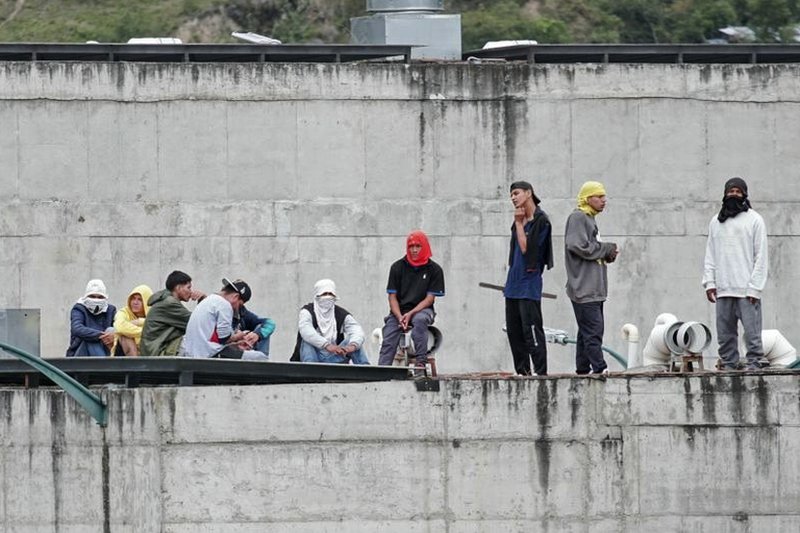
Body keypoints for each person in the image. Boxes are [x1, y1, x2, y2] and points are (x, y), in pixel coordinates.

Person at [702, 177, 768, 371]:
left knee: (752, 334)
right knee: (725, 335)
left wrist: (755, 288)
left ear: (745, 195)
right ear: (725, 194)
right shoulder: (716, 221)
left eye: (738, 192)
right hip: (723, 289)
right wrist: (709, 282)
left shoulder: (755, 219)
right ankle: (729, 367)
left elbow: (761, 256)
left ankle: (754, 366)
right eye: (731, 192)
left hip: (747, 289)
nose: (734, 195)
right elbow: (710, 253)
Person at [564, 181, 618, 375]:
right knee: (594, 330)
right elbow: (576, 245)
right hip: (585, 288)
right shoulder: (579, 217)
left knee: (585, 332)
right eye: (599, 196)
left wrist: (606, 253)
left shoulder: (590, 218)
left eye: (604, 196)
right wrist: (606, 248)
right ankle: (600, 368)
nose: (603, 200)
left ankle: (582, 369)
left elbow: (589, 248)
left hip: (593, 289)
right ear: (587, 199)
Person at [504, 181, 553, 376]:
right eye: (511, 195)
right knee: (514, 332)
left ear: (528, 193)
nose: (513, 198)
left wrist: (518, 223)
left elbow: (527, 251)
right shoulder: (519, 219)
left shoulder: (541, 220)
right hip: (513, 284)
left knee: (531, 330)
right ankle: (522, 371)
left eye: (516, 193)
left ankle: (540, 373)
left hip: (529, 285)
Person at [377, 230, 445, 371]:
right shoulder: (397, 267)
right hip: (399, 311)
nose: (414, 250)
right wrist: (400, 316)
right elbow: (392, 297)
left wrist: (411, 313)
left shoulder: (434, 270)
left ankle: (420, 364)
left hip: (423, 310)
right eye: (411, 246)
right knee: (389, 334)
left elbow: (429, 299)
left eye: (418, 246)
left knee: (419, 321)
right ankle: (382, 370)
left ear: (425, 246)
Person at [180, 278, 268, 360]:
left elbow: (216, 338)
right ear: (236, 297)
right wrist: (240, 335)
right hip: (209, 353)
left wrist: (236, 344)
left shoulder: (209, 299)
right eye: (240, 305)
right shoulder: (224, 305)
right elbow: (224, 338)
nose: (237, 309)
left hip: (193, 352)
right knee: (261, 357)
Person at [291, 279, 369, 364]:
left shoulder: (341, 313)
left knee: (355, 341)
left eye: (331, 294)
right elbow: (306, 330)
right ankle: (311, 371)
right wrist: (326, 345)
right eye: (324, 294)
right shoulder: (307, 311)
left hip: (335, 356)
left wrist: (352, 346)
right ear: (317, 295)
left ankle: (366, 371)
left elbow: (356, 330)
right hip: (313, 358)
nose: (328, 297)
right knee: (307, 340)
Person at [140, 271, 205, 356]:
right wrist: (203, 300)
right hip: (158, 351)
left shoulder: (167, 300)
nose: (191, 291)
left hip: (157, 349)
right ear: (178, 288)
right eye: (188, 288)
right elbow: (195, 323)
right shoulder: (169, 303)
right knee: (196, 340)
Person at [66, 279, 117, 357]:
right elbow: (77, 328)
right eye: (92, 296)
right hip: (80, 353)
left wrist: (113, 335)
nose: (96, 299)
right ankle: (105, 365)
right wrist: (99, 335)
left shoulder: (110, 310)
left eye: (100, 297)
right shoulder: (79, 309)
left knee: (111, 330)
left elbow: (118, 329)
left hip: (105, 349)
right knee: (91, 340)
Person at [113, 284, 153, 356]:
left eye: (140, 300)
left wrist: (139, 321)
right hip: (124, 353)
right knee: (125, 334)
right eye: (133, 298)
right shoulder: (124, 311)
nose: (135, 302)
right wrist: (145, 332)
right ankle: (135, 365)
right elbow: (119, 327)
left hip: (147, 352)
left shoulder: (153, 314)